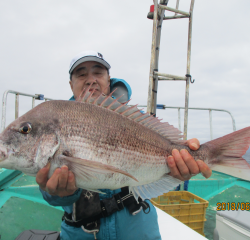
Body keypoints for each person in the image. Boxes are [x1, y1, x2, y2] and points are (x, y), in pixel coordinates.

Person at [36, 50, 212, 240]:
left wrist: (180, 167)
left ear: (108, 79)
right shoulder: (57, 120)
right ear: (71, 84)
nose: (91, 80)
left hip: (138, 230)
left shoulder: (134, 120)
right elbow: (50, 193)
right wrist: (59, 193)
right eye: (81, 74)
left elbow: (161, 169)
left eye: (98, 72)